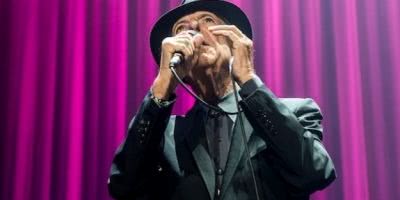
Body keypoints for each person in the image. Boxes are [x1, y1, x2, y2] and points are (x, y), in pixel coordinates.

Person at [107, 0, 336, 199]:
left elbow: (315, 173)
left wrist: (248, 79)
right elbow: (123, 186)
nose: (195, 30)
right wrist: (162, 84)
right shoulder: (165, 134)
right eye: (181, 29)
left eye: (207, 20)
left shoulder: (294, 112)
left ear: (234, 41)